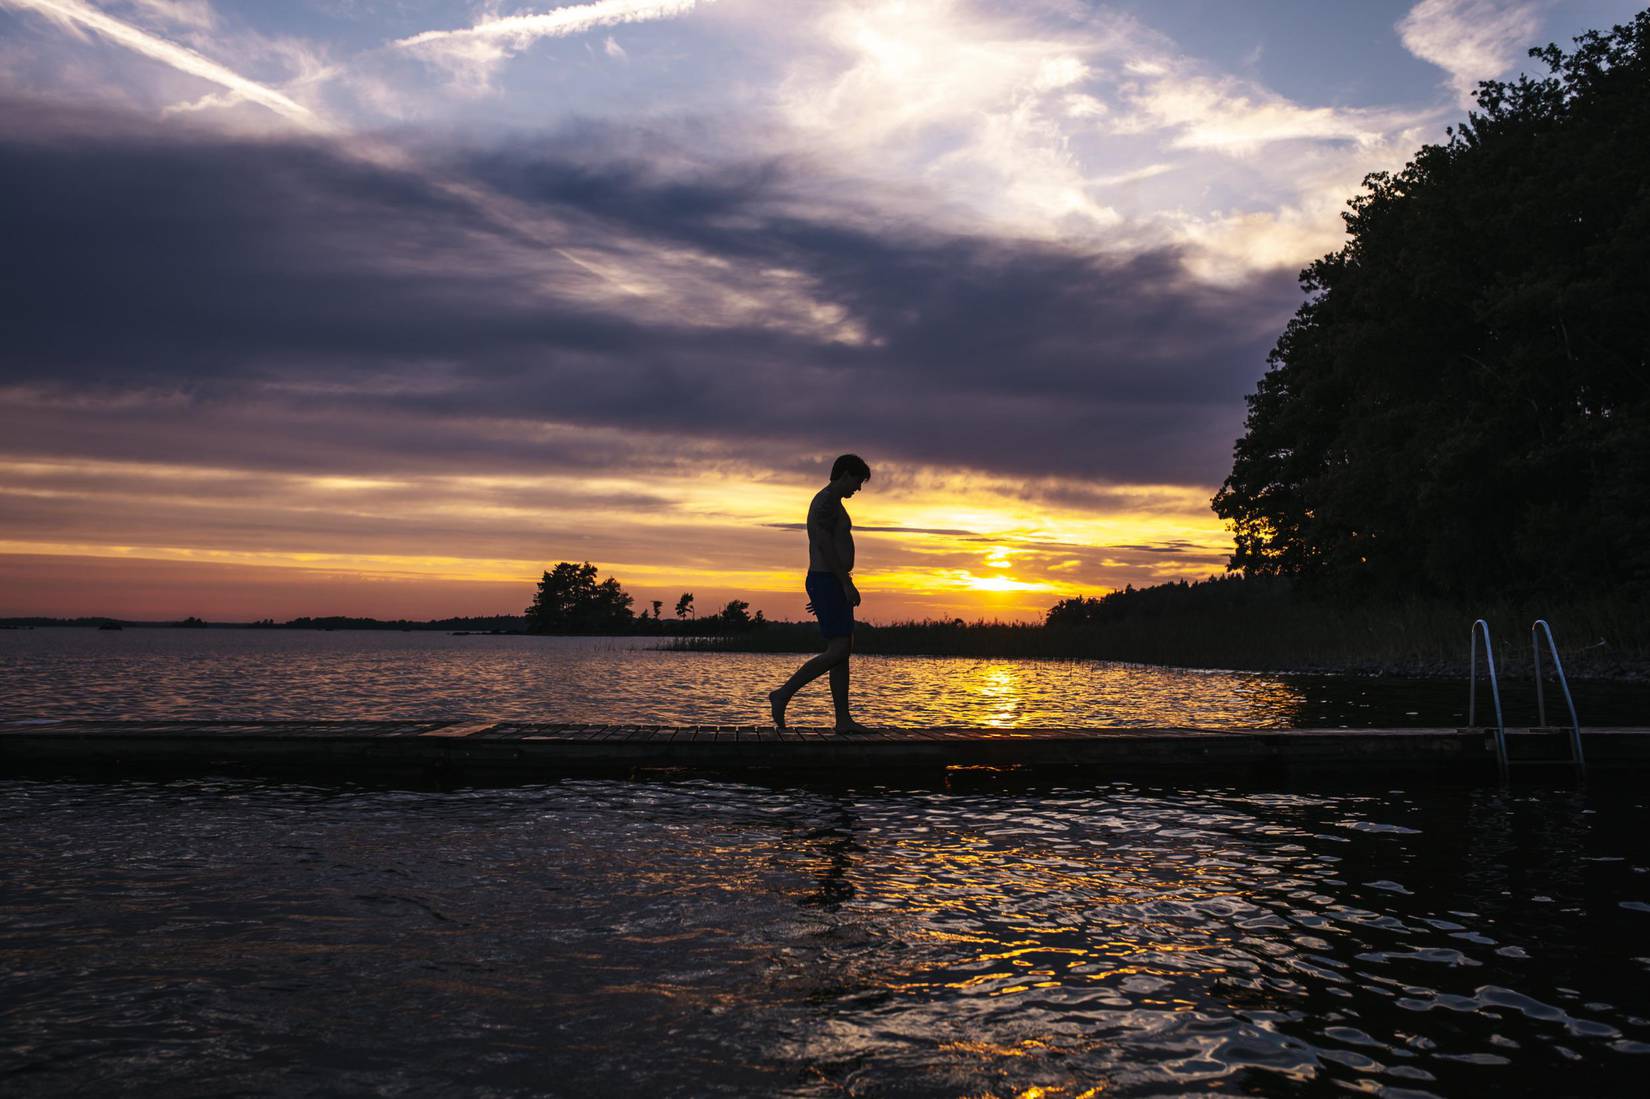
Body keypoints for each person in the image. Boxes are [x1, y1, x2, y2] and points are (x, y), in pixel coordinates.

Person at [769, 454, 872, 732]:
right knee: (839, 649)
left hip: (829, 581)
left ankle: (843, 721)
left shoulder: (832, 502)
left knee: (842, 652)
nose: (858, 488)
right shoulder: (826, 502)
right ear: (845, 474)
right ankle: (783, 694)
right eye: (857, 481)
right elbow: (824, 545)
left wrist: (835, 587)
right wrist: (844, 584)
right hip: (828, 579)